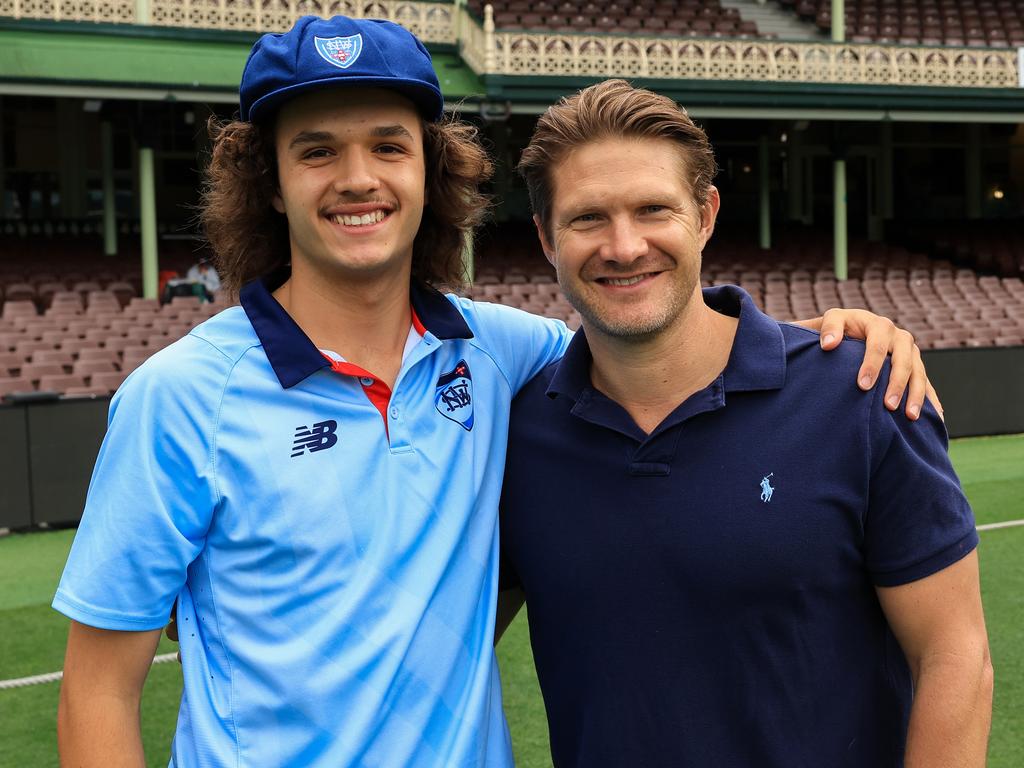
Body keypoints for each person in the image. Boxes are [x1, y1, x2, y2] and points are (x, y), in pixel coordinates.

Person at [53, 17, 932, 768]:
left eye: (388, 146)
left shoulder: (508, 352)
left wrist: (833, 333)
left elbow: (660, 328)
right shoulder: (176, 398)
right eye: (316, 151)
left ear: (429, 173)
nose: (357, 178)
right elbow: (96, 689)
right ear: (271, 185)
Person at [499, 79, 993, 768]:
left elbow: (954, 655)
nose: (623, 245)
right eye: (587, 218)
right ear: (546, 238)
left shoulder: (859, 393)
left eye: (653, 209)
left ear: (704, 216)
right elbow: (441, 646)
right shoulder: (514, 436)